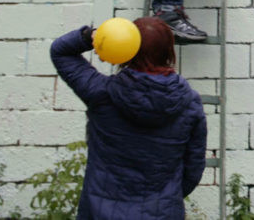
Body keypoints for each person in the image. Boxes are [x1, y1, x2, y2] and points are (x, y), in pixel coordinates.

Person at [50, 17, 207, 218]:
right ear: (169, 50)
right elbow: (193, 170)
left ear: (127, 49)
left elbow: (60, 52)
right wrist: (165, 198)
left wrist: (94, 35)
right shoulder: (189, 103)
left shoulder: (100, 93)